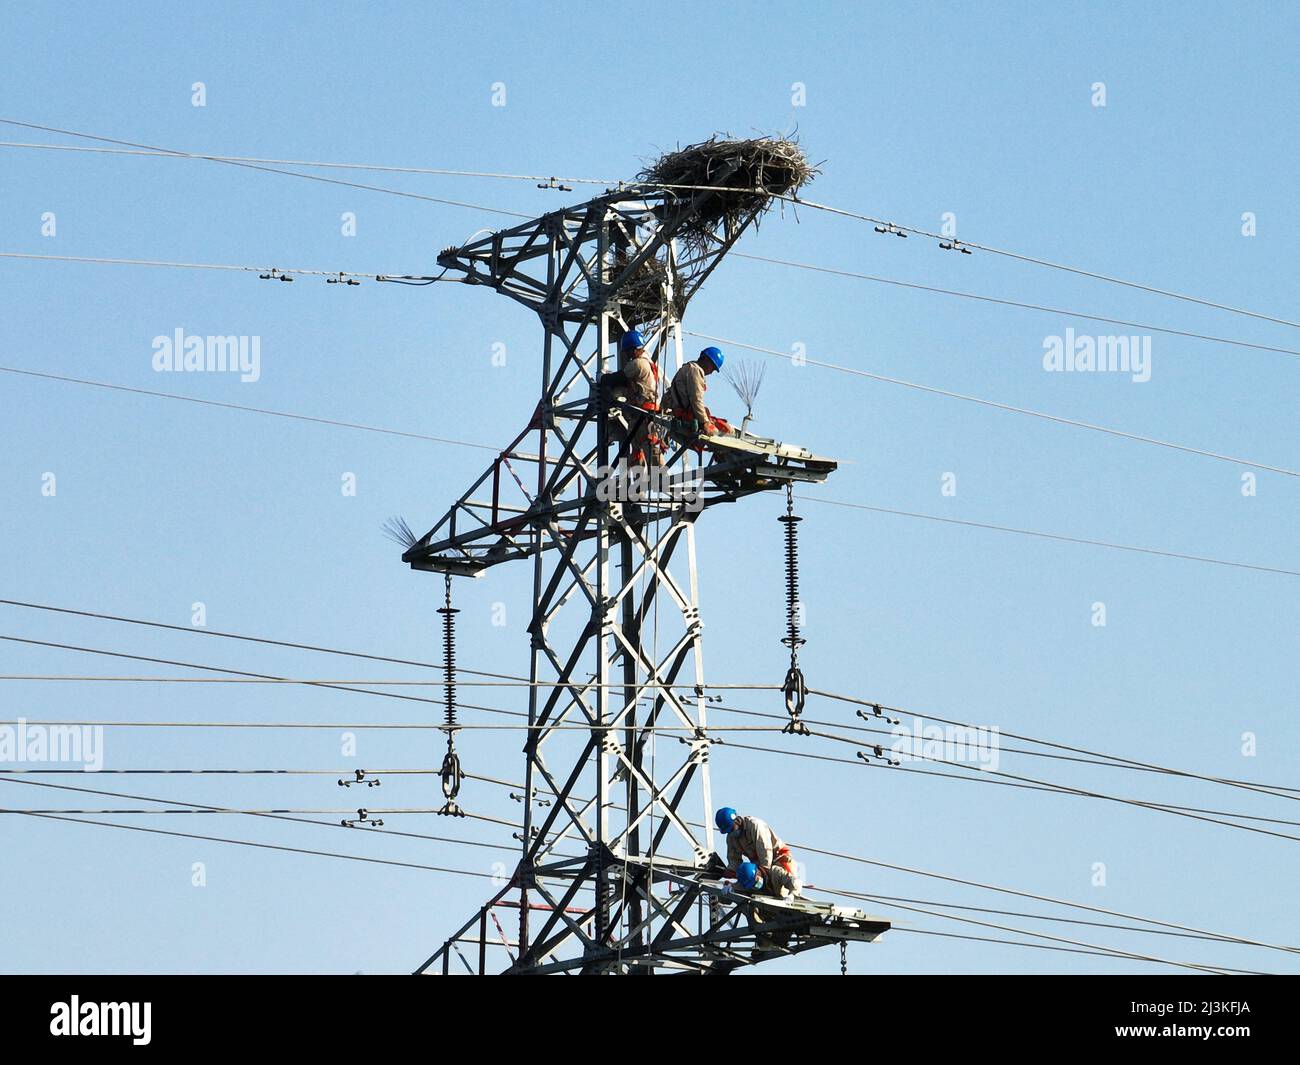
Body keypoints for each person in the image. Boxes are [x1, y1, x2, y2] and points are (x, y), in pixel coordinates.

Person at [714, 806, 802, 898]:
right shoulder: (732, 837)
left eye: (732, 829)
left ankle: (791, 896)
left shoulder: (755, 825)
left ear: (737, 821)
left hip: (779, 859)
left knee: (784, 891)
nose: (731, 833)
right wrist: (733, 874)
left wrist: (764, 873)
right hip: (758, 868)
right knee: (753, 885)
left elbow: (765, 851)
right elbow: (734, 860)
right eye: (728, 831)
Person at [663, 346, 733, 445]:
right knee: (726, 432)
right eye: (712, 367)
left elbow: (668, 395)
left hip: (682, 414)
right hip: (686, 418)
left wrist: (663, 409)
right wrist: (705, 423)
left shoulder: (688, 367)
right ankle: (722, 455)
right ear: (705, 359)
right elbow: (696, 400)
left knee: (726, 429)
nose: (712, 371)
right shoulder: (696, 371)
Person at [616, 329, 661, 466]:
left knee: (649, 445)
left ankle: (659, 475)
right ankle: (639, 481)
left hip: (644, 414)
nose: (628, 355)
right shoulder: (648, 362)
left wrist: (603, 379)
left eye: (629, 351)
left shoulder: (638, 364)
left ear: (633, 349)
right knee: (638, 450)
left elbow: (620, 378)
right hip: (641, 413)